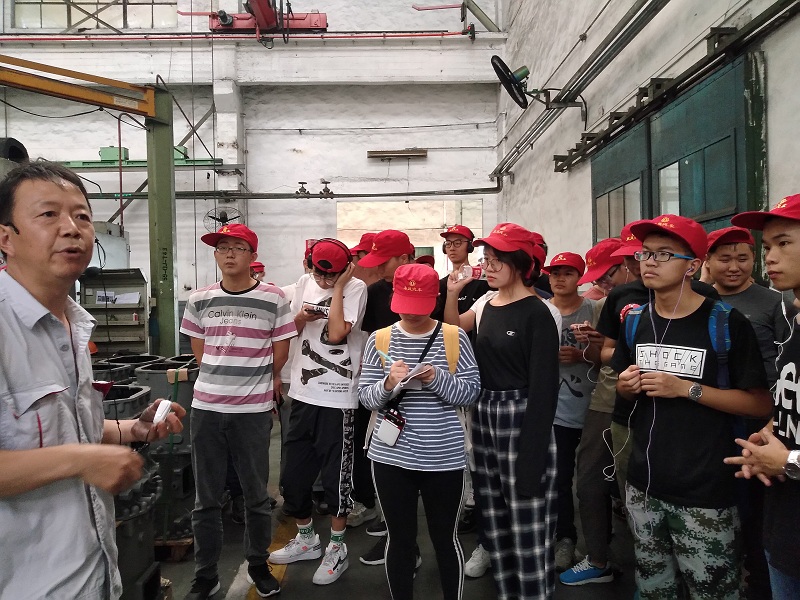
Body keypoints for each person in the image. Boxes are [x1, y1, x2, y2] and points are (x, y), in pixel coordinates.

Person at [0, 161, 185, 599]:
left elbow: (58, 429)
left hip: (93, 572)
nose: (71, 228)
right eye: (48, 214)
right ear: (5, 237)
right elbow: (72, 451)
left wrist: (131, 430)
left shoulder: (73, 325)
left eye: (81, 216)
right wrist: (82, 460)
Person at [613, 214, 771, 599]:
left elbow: (759, 403)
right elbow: (625, 388)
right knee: (652, 588)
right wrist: (625, 386)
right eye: (646, 253)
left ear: (693, 266)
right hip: (644, 485)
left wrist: (688, 389)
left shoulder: (725, 323)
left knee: (712, 591)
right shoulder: (635, 321)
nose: (650, 262)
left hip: (705, 492)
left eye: (664, 254)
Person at [180, 223, 296, 599]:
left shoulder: (273, 298)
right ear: (216, 255)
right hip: (206, 409)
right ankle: (205, 574)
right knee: (206, 499)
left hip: (253, 410)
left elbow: (280, 354)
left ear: (252, 255)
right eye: (222, 247)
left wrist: (253, 384)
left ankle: (258, 565)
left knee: (255, 496)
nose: (229, 253)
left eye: (238, 247)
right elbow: (201, 352)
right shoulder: (199, 299)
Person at [359, 263, 481, 600]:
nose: (412, 314)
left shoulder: (454, 337)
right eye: (405, 306)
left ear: (435, 300)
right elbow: (366, 397)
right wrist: (389, 383)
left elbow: (470, 393)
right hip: (391, 457)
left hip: (444, 456)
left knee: (445, 539)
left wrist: (437, 378)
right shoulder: (379, 339)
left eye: (420, 306)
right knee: (399, 539)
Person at [453, 223, 560, 600]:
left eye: (498, 259)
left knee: (528, 522)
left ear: (521, 263)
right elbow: (454, 335)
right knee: (494, 516)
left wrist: (532, 457)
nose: (489, 266)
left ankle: (533, 593)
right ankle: (507, 591)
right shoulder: (487, 305)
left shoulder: (538, 313)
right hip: (484, 414)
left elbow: (545, 389)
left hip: (522, 418)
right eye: (486, 259)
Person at [269, 239, 367, 585]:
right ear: (308, 265)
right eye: (319, 275)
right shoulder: (300, 285)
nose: (324, 281)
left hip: (338, 399)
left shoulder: (355, 288)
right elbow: (287, 332)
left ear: (346, 270)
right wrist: (300, 316)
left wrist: (338, 288)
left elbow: (338, 333)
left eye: (332, 276)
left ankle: (337, 547)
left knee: (336, 480)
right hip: (303, 393)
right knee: (293, 478)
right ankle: (307, 538)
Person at [724, 194, 800, 597]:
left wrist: (788, 461)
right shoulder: (793, 325)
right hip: (785, 525)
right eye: (767, 246)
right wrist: (772, 429)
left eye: (784, 243)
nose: (770, 257)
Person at [544, 252, 601, 573]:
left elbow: (611, 354)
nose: (559, 278)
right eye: (554, 273)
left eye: (567, 273)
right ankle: (564, 537)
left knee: (595, 482)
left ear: (580, 277)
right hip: (556, 409)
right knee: (559, 478)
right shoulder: (542, 310)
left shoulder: (594, 309)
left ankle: (599, 547)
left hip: (594, 406)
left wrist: (583, 354)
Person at [431, 225, 490, 320]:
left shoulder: (483, 281)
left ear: (470, 246)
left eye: (457, 243)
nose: (452, 248)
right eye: (448, 243)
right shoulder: (440, 285)